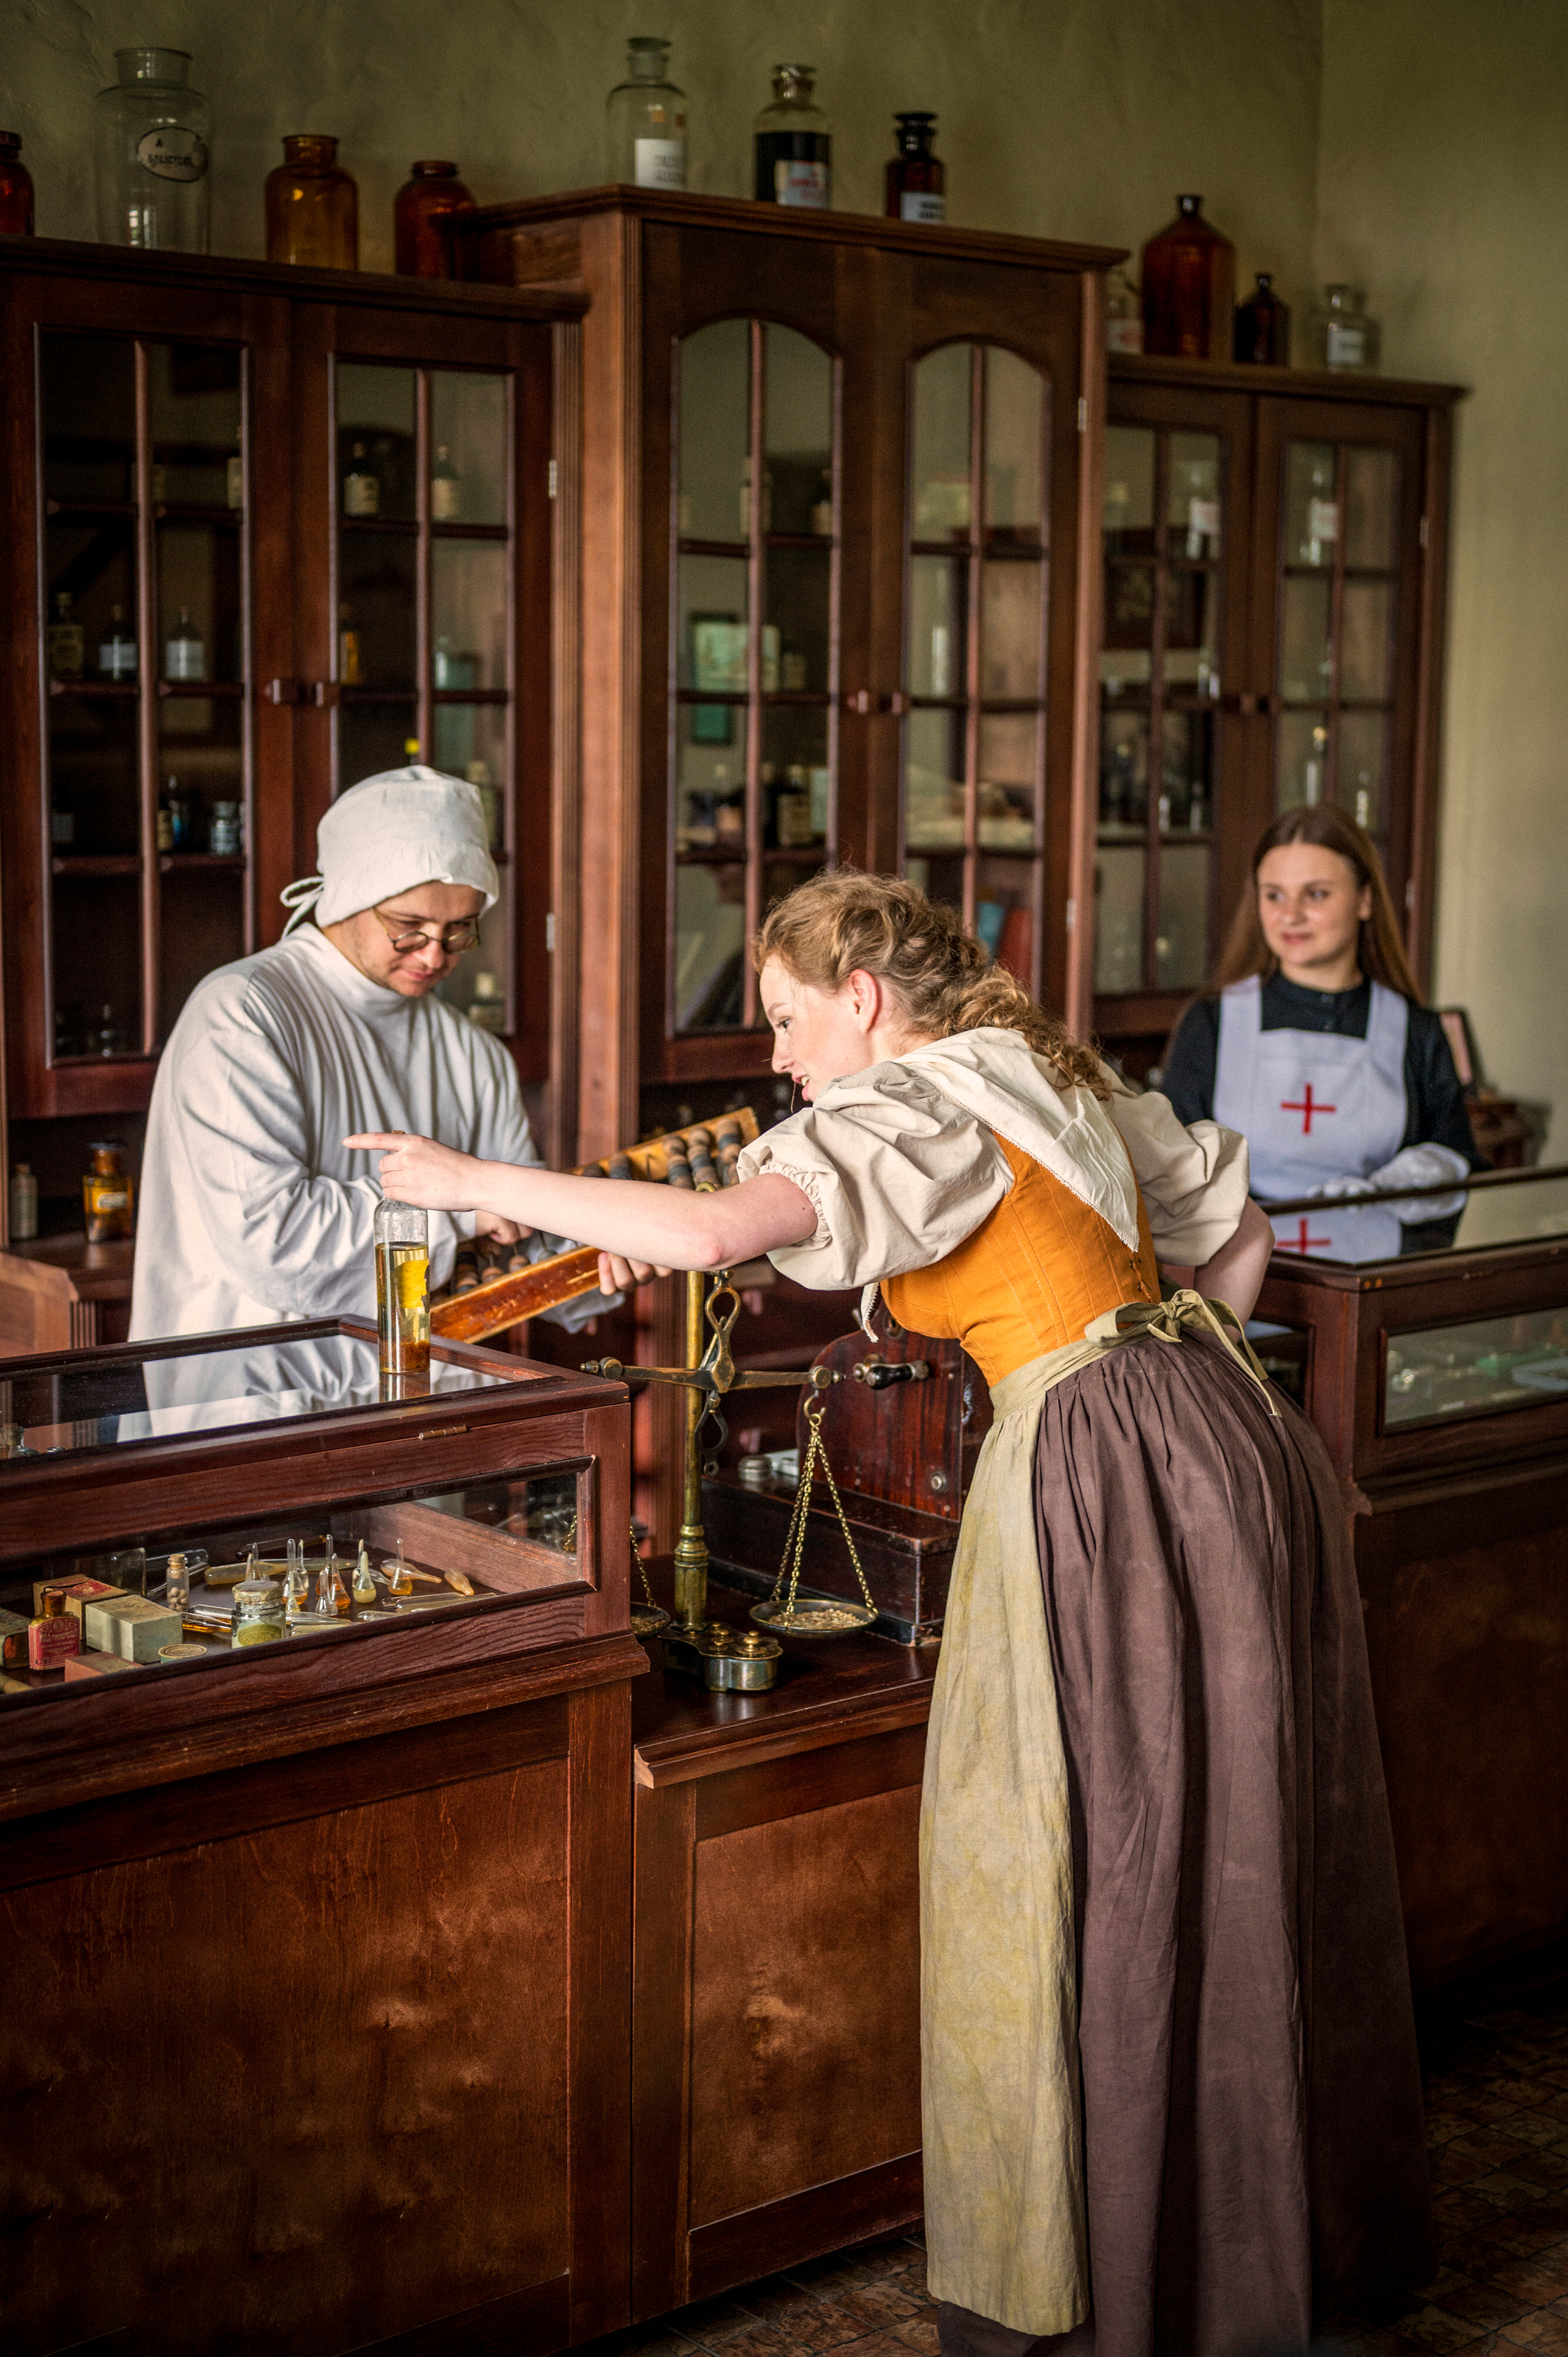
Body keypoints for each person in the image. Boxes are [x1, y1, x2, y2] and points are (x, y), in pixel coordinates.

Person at [349, 870, 1433, 2357]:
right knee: (1217, 1838)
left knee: (1085, 1855)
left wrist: (473, 1182)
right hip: (1216, 1440)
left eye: (790, 1021)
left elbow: (728, 1231)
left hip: (1106, 1465)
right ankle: (1246, 2260)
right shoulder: (1031, 1068)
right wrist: (1162, 1393)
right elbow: (1222, 1226)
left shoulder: (918, 1090)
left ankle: (1125, 2289)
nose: (782, 1058)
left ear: (860, 993)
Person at [130, 764, 605, 1341]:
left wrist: (601, 1262)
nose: (434, 956)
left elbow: (520, 1236)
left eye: (459, 930)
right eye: (409, 926)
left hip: (431, 1389)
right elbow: (272, 1241)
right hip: (261, 1396)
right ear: (348, 896)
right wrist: (461, 1209)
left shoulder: (473, 1054)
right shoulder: (242, 1016)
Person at [1162, 806, 1481, 1258]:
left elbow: (1454, 1156)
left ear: (1365, 899)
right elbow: (1171, 1168)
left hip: (1373, 1284)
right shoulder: (1213, 1021)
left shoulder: (1415, 1030)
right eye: (1274, 896)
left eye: (1315, 894)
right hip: (1237, 1286)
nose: (1290, 915)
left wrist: (1391, 1186)